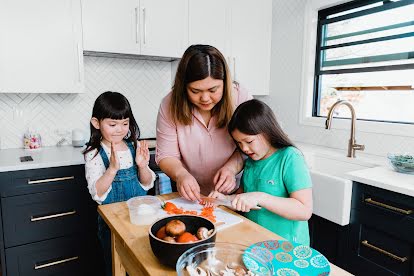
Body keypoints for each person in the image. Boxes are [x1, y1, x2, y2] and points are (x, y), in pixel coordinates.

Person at [209, 99, 313, 245]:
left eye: (249, 141)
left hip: (287, 247)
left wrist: (260, 197)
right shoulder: (251, 161)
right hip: (255, 241)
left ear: (268, 132)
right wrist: (224, 200)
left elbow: (304, 210)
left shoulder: (290, 157)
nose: (244, 148)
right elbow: (243, 198)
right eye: (239, 143)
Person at [156, 44, 252, 201]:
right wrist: (181, 174)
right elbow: (166, 154)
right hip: (191, 196)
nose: (205, 98)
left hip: (236, 193)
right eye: (195, 91)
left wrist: (230, 169)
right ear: (183, 87)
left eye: (213, 90)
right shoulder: (169, 104)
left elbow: (251, 144)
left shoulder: (240, 97)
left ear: (225, 83)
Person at [83, 91, 156, 276]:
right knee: (116, 267)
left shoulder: (133, 147)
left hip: (139, 219)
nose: (120, 129)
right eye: (113, 124)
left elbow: (146, 185)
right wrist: (112, 169)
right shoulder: (94, 153)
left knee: (141, 264)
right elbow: (97, 193)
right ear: (96, 123)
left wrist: (142, 166)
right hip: (112, 225)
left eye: (125, 123)